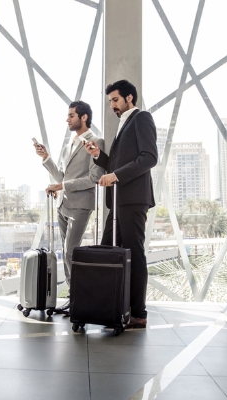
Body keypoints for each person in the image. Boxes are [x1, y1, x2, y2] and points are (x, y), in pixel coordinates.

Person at [83, 79, 157, 328]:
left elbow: (149, 158)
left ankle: (139, 313)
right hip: (119, 200)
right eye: (110, 101)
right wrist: (98, 156)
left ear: (129, 98)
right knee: (107, 250)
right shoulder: (123, 125)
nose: (112, 105)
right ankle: (110, 306)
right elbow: (116, 164)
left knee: (135, 254)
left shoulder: (141, 118)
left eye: (115, 100)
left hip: (133, 199)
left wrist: (116, 176)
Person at [34, 100, 105, 314]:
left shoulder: (96, 141)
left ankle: (79, 299)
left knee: (70, 251)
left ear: (83, 117)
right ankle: (74, 299)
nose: (68, 119)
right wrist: (46, 158)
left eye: (71, 115)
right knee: (66, 254)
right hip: (63, 205)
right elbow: (61, 177)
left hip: (81, 205)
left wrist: (62, 185)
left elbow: (94, 177)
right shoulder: (68, 146)